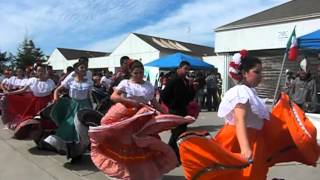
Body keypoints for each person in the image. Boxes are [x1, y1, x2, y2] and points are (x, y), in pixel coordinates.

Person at [89, 60, 194, 180]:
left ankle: (143, 172)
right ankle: (128, 172)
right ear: (131, 73)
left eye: (141, 73)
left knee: (144, 145)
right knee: (127, 145)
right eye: (136, 73)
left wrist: (167, 115)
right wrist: (129, 101)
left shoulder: (148, 85)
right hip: (126, 117)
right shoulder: (125, 83)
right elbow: (114, 96)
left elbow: (154, 102)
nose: (139, 75)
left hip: (143, 119)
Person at [44, 61, 93, 161]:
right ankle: (70, 151)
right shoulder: (70, 81)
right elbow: (57, 90)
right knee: (69, 128)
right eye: (82, 67)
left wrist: (92, 110)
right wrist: (56, 99)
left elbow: (89, 97)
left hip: (85, 107)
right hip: (73, 106)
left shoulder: (89, 82)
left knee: (82, 131)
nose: (84, 70)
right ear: (76, 70)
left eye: (85, 68)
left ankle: (78, 153)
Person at [161, 61, 196, 162]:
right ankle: (169, 155)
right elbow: (164, 96)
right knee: (176, 134)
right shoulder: (173, 80)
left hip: (183, 110)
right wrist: (172, 105)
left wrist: (192, 87)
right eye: (185, 69)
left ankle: (174, 155)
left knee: (179, 134)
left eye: (188, 69)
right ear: (179, 68)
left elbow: (189, 97)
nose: (187, 71)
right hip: (175, 110)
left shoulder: (184, 81)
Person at [3, 65, 56, 130]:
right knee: (37, 117)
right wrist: (10, 93)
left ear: (45, 71)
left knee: (47, 117)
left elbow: (54, 91)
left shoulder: (50, 81)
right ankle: (38, 130)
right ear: (36, 72)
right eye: (39, 71)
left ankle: (47, 129)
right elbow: (22, 90)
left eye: (43, 71)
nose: (41, 72)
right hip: (37, 102)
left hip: (48, 102)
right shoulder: (33, 81)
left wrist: (55, 99)